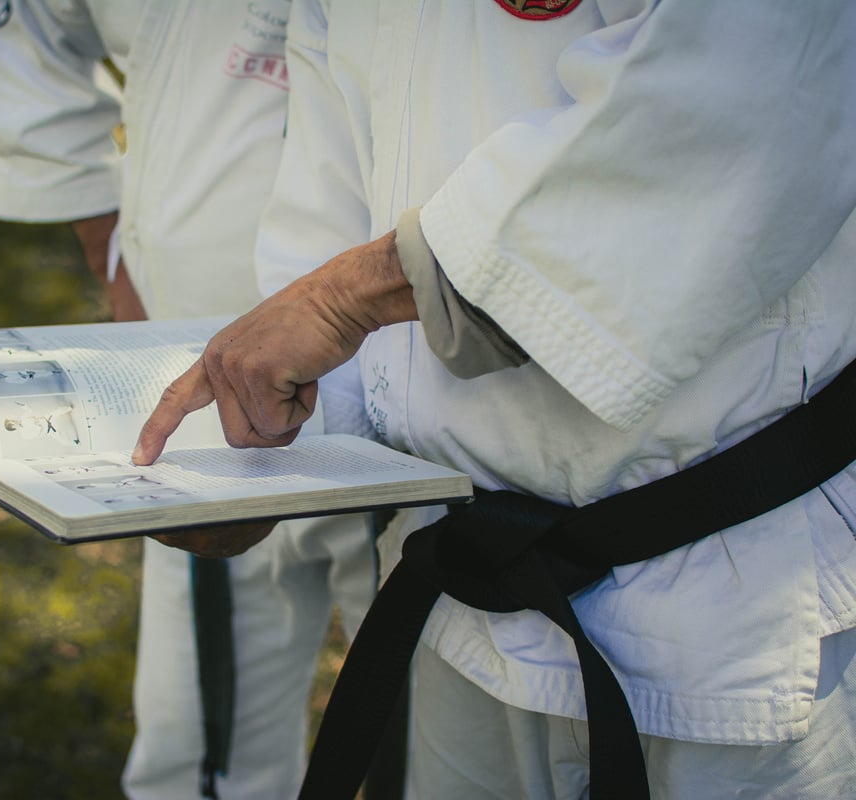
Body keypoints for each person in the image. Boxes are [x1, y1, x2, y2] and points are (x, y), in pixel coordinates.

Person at [134, 1, 856, 797]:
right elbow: (328, 204)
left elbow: (740, 96)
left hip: (729, 610)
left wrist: (356, 296)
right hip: (466, 604)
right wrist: (275, 451)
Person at [0, 2, 381, 797]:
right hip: (195, 391)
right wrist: (111, 251)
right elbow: (37, 29)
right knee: (199, 754)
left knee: (427, 739)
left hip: (417, 393)